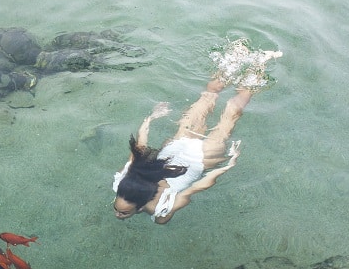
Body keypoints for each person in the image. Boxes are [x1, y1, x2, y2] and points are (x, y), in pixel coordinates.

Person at [112, 39, 282, 224]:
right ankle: (250, 61)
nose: (117, 214)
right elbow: (140, 151)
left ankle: (246, 60)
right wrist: (228, 164)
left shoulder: (160, 210)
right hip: (183, 147)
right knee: (224, 104)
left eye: (123, 212)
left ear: (141, 205)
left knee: (219, 101)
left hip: (199, 157)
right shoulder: (126, 183)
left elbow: (198, 186)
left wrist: (151, 118)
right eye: (121, 211)